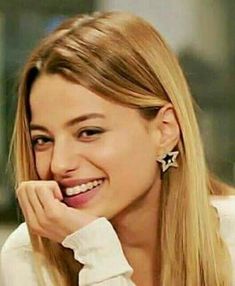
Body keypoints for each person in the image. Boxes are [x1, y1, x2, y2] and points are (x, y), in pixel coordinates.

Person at [0, 11, 235, 286]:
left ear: (164, 130)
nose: (58, 164)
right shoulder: (28, 257)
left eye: (88, 132)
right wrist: (93, 247)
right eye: (43, 139)